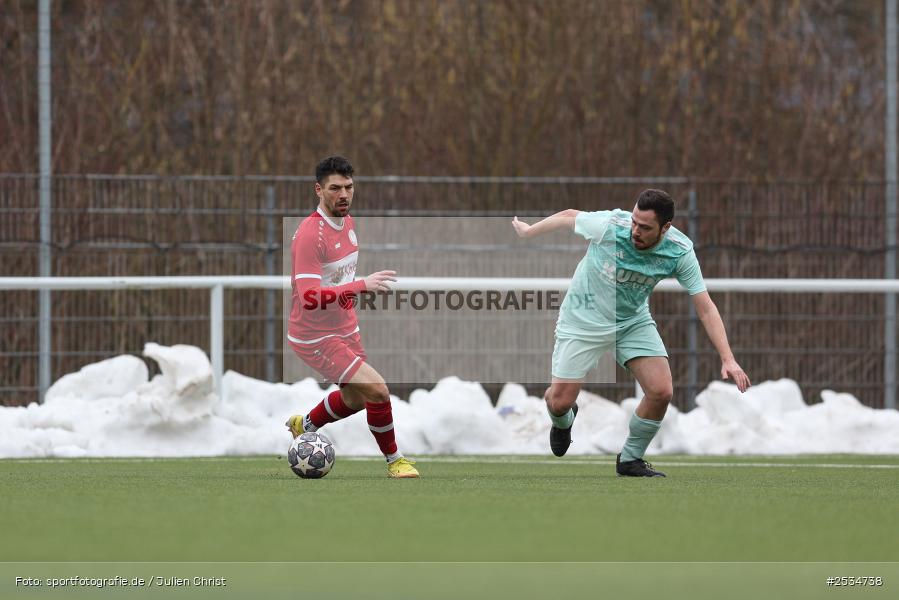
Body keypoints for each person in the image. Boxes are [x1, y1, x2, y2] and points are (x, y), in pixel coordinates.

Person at [512, 189, 750, 477]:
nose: (635, 231)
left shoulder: (679, 251)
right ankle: (563, 421)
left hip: (631, 322)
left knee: (661, 391)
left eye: (645, 227)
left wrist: (728, 358)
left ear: (666, 228)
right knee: (559, 402)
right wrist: (529, 231)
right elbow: (569, 216)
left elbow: (706, 307)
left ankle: (630, 459)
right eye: (635, 222)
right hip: (582, 319)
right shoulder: (612, 226)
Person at [285, 156, 419, 479]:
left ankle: (307, 424)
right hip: (314, 336)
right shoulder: (309, 236)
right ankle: (395, 461)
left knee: (356, 398)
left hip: (345, 328)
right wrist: (362, 285)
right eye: (335, 188)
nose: (343, 194)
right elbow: (309, 296)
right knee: (377, 390)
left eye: (348, 187)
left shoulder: (349, 224)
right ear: (319, 190)